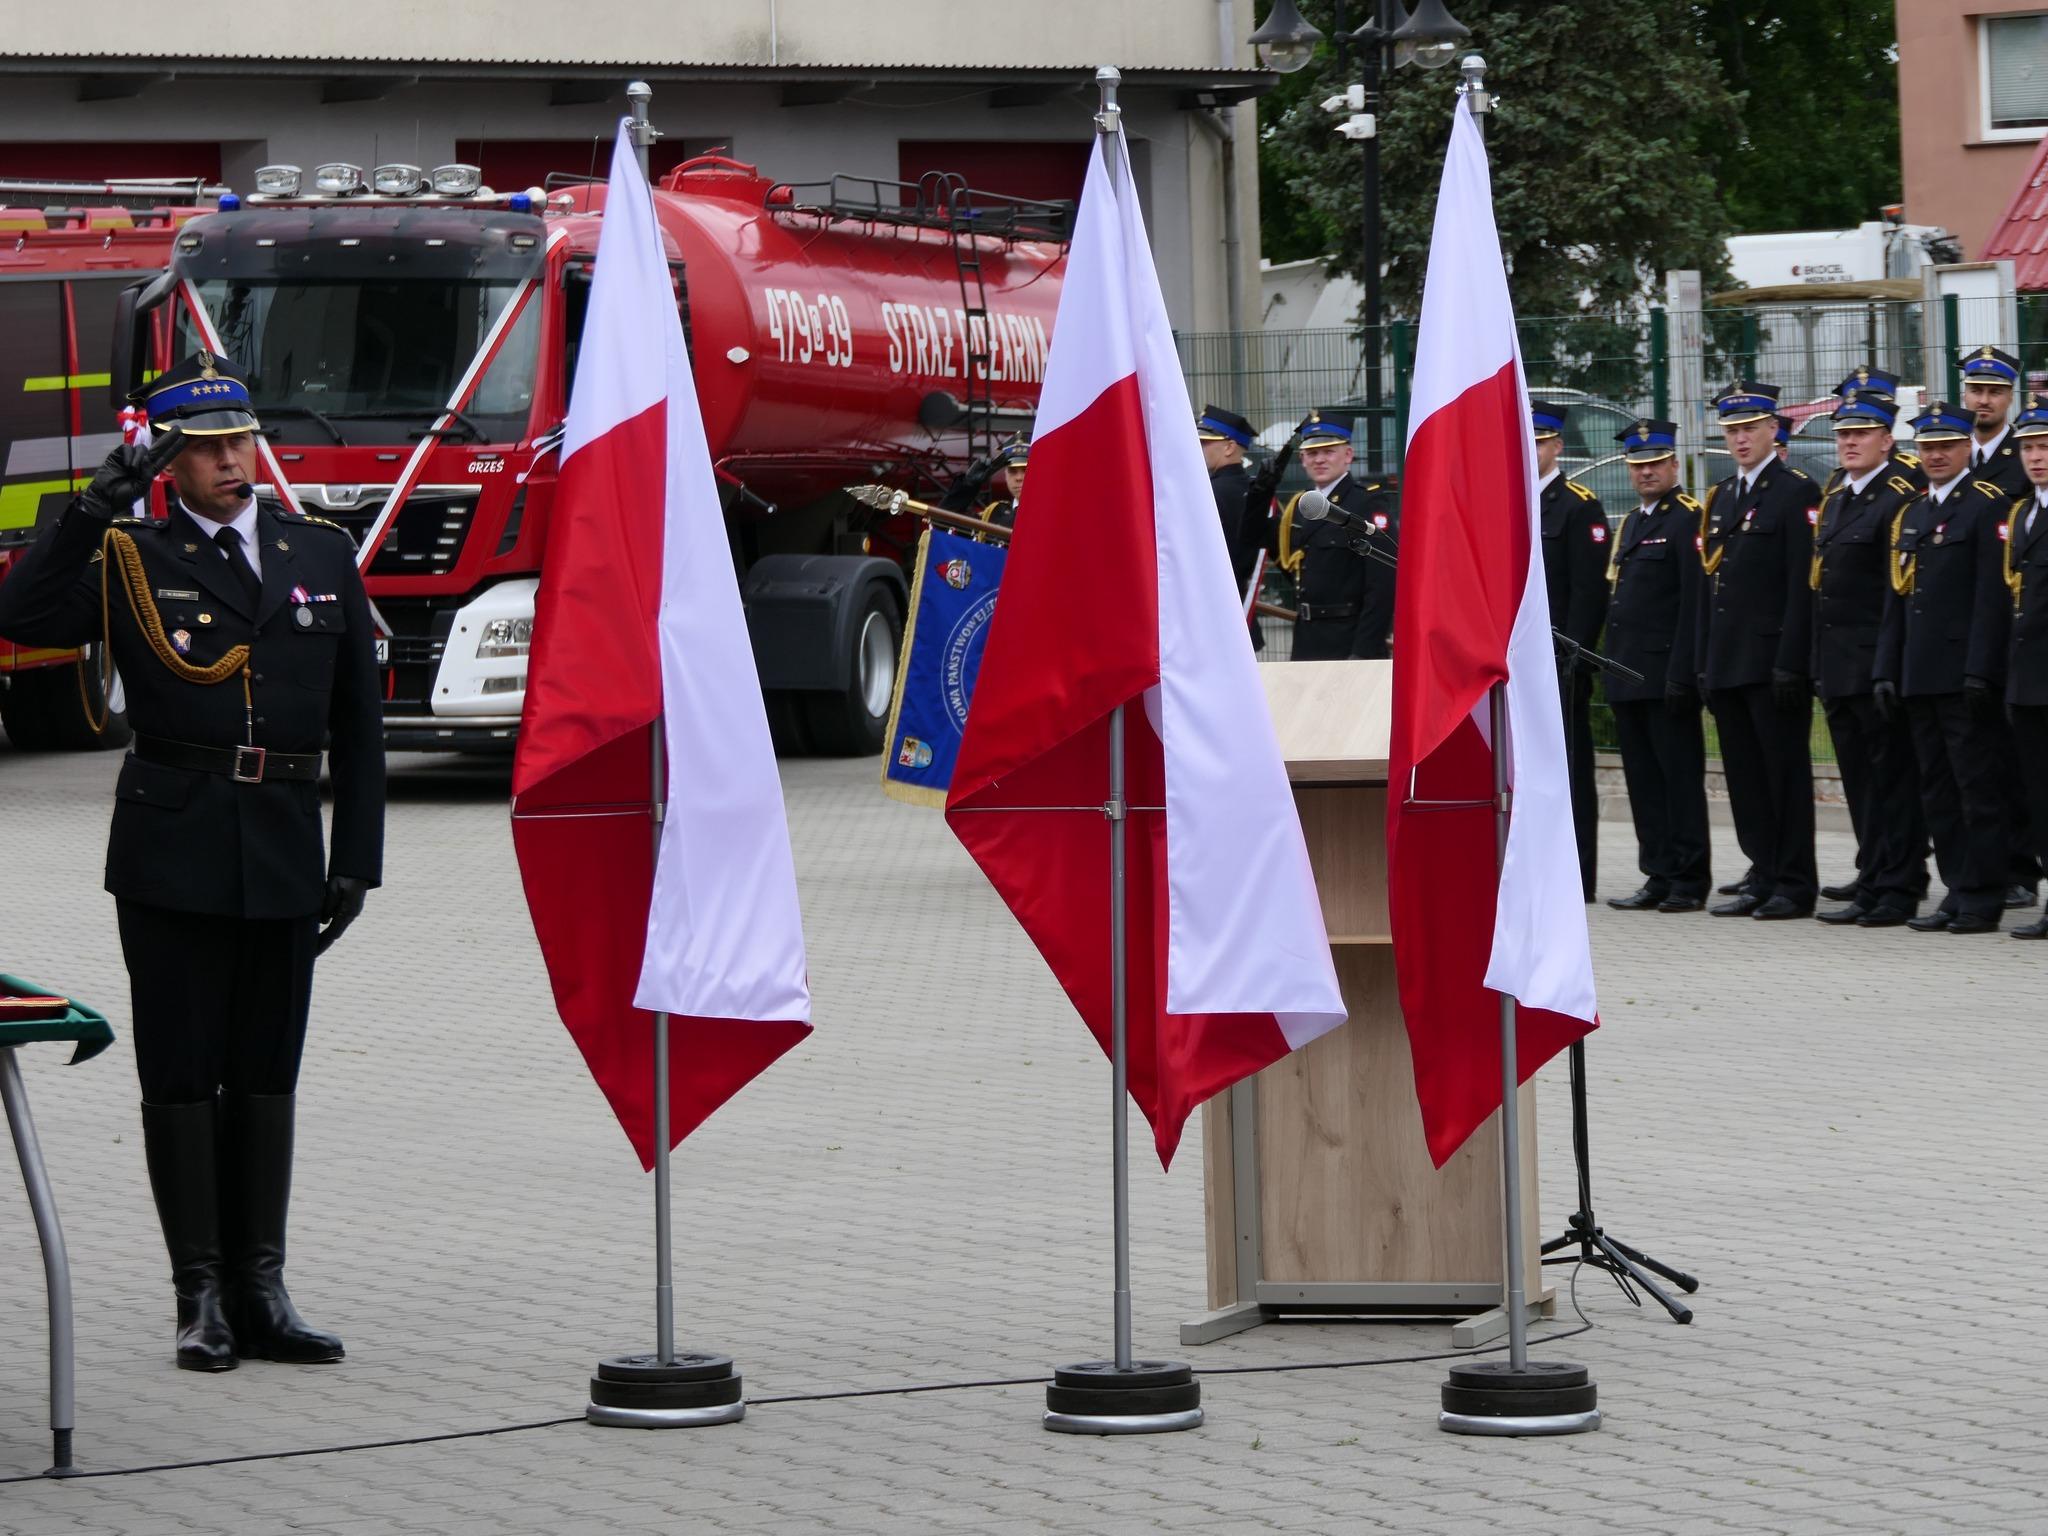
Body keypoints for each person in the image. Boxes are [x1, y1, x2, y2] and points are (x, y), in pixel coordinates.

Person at [0, 354, 384, 1372]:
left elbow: (359, 721)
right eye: (207, 448)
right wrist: (89, 511)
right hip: (173, 850)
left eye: (239, 440)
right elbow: (22, 616)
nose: (229, 461)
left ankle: (264, 1288)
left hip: (285, 845)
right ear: (168, 462)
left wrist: (358, 858)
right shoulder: (133, 555)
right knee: (181, 1074)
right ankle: (200, 1295)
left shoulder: (317, 551)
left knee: (265, 1072)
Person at [1874, 401, 2011, 935]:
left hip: (1962, 674)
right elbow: (1898, 598)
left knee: (1977, 787)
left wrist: (1981, 670)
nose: (1935, 455)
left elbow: (1991, 598)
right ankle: (1956, 887)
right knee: (1937, 789)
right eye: (1927, 446)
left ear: (1965, 448)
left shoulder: (1986, 505)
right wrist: (1887, 668)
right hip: (1919, 672)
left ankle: (1984, 894)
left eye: (1946, 446)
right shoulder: (1912, 512)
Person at [1696, 382, 1821, 919]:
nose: (1741, 439)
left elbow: (1802, 585)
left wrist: (1792, 661)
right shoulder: (1723, 496)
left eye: (1750, 428)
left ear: (1774, 429)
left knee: (1783, 776)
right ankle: (1762, 871)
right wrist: (1706, 662)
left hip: (1772, 663)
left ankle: (1794, 882)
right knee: (1745, 778)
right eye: (1732, 430)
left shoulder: (1795, 492)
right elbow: (1713, 588)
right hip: (1729, 661)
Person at [1809, 391, 1929, 928]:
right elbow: (1824, 589)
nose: (1850, 443)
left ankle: (1900, 885)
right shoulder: (1838, 497)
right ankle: (1874, 876)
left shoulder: (1897, 498)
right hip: (1838, 666)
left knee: (1892, 782)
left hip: (1874, 666)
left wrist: (1886, 667)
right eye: (1843, 435)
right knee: (1860, 782)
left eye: (1861, 434)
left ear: (1886, 440)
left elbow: (1892, 594)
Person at [1602, 420, 1711, 912]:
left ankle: (1689, 878)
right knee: (1644, 784)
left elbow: (1693, 602)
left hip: (1667, 675)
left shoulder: (1687, 519)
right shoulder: (1632, 523)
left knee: (1678, 781)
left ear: (1673, 465)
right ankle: (1658, 873)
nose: (1646, 472)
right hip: (1628, 674)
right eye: (1637, 465)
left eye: (1655, 463)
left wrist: (1683, 673)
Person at [1956, 345, 2039, 910]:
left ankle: (2020, 869)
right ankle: (1978, 867)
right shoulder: (1948, 451)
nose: (1983, 401)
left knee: (2012, 756)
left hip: (2011, 624)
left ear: (2011, 397)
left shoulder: (2023, 458)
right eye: (1976, 390)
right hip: (1955, 624)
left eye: (1994, 392)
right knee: (1971, 758)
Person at [1534, 402, 1610, 900]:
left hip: (1560, 660)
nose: (1531, 449)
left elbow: (1588, 591)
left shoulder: (1578, 506)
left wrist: (1574, 659)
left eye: (1540, 441)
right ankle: (1536, 870)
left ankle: (1577, 875)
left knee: (1570, 768)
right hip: (1519, 663)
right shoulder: (1510, 502)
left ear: (1558, 446)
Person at [1276, 413, 1397, 661]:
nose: (1319, 459)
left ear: (1348, 455)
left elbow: (1383, 585)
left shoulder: (1366, 503)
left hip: (1349, 640)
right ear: (1302, 459)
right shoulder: (1303, 506)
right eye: (1312, 453)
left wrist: (1363, 651)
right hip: (1307, 639)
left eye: (1329, 451)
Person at [2003, 394, 2048, 938]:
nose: (2036, 457)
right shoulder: (2022, 514)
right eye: (2029, 448)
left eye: (2045, 447)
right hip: (2029, 681)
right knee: (2039, 795)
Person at [1196, 405, 1260, 609]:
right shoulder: (1254, 489)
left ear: (1230, 448)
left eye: (1204, 443)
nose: (1197, 448)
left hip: (1213, 601)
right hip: (1243, 600)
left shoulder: (1209, 492)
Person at [979, 439, 1028, 535]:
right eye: (1012, 471)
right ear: (1005, 475)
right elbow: (951, 525)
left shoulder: (1053, 514)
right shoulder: (994, 513)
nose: (1019, 478)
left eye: (1026, 470)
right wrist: (967, 487)